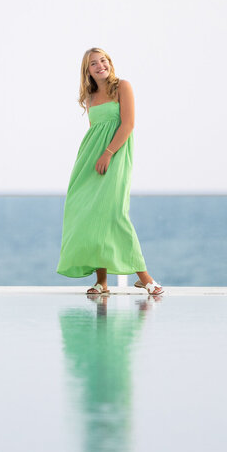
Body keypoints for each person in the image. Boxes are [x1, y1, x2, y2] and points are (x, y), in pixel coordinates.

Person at [57, 48, 164, 296]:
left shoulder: (122, 87)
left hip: (114, 156)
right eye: (93, 63)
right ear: (87, 71)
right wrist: (98, 156)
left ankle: (144, 277)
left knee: (115, 213)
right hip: (89, 161)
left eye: (103, 60)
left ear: (110, 63)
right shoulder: (90, 98)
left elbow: (128, 124)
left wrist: (108, 153)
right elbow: (94, 130)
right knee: (91, 214)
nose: (100, 65)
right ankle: (101, 282)